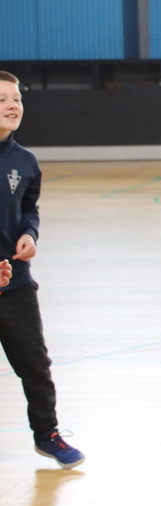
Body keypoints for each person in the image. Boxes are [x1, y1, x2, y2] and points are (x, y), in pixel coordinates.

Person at [0, 71, 86, 469]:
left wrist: (30, 233)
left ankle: (47, 434)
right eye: (2, 99)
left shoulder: (25, 162)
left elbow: (29, 208)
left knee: (35, 365)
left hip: (15, 285)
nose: (12, 105)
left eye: (16, 98)